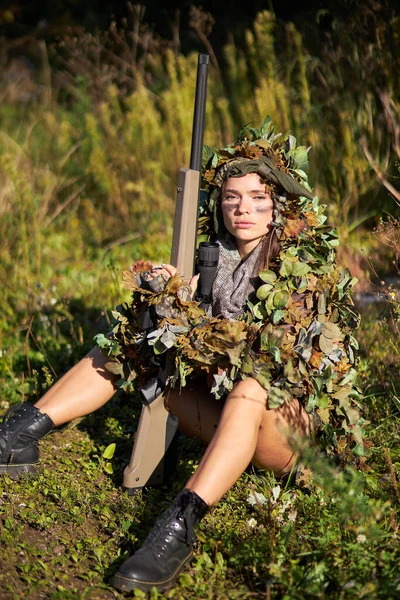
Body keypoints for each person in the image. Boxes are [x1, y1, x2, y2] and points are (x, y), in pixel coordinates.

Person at [0, 119, 361, 593]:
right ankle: (22, 431)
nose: (243, 209)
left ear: (281, 205)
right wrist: (168, 297)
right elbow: (184, 341)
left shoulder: (305, 270)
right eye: (231, 198)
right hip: (227, 418)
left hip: (286, 435)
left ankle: (177, 527)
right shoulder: (216, 256)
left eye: (257, 197)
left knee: (252, 387)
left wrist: (192, 322)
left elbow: (264, 363)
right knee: (139, 336)